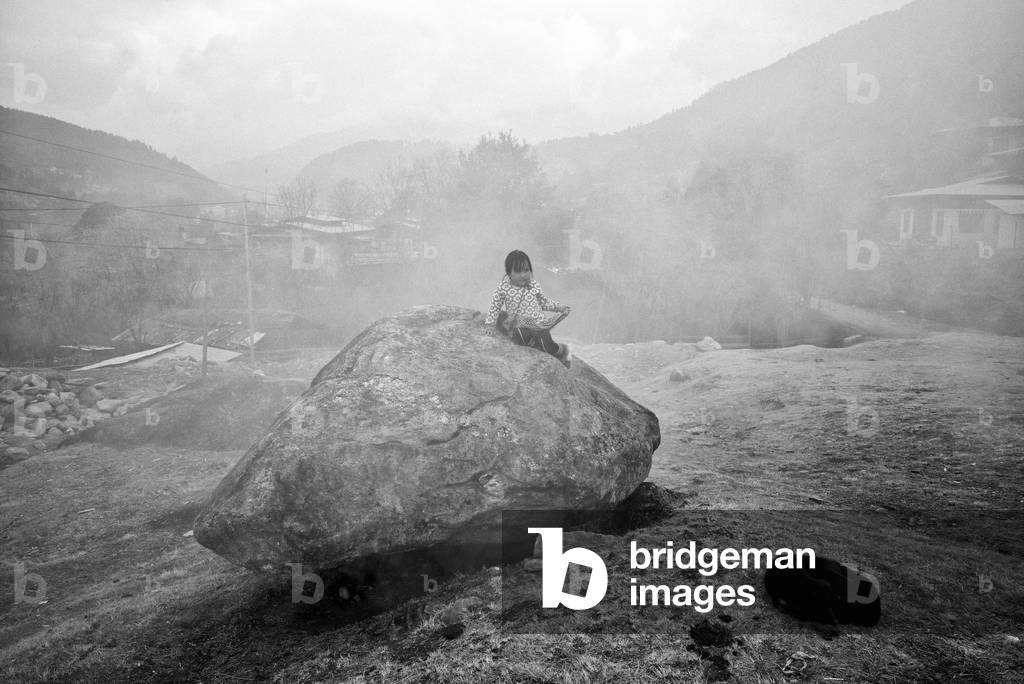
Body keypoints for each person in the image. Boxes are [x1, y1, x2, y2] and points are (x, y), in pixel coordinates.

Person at [483, 250, 572, 366]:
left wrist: (559, 307)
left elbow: (544, 303)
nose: (523, 275)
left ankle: (562, 350)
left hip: (538, 324)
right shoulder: (503, 288)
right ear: (509, 273)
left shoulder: (532, 286)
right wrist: (490, 324)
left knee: (546, 345)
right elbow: (495, 306)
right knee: (518, 338)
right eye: (518, 271)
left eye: (526, 270)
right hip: (519, 324)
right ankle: (532, 341)